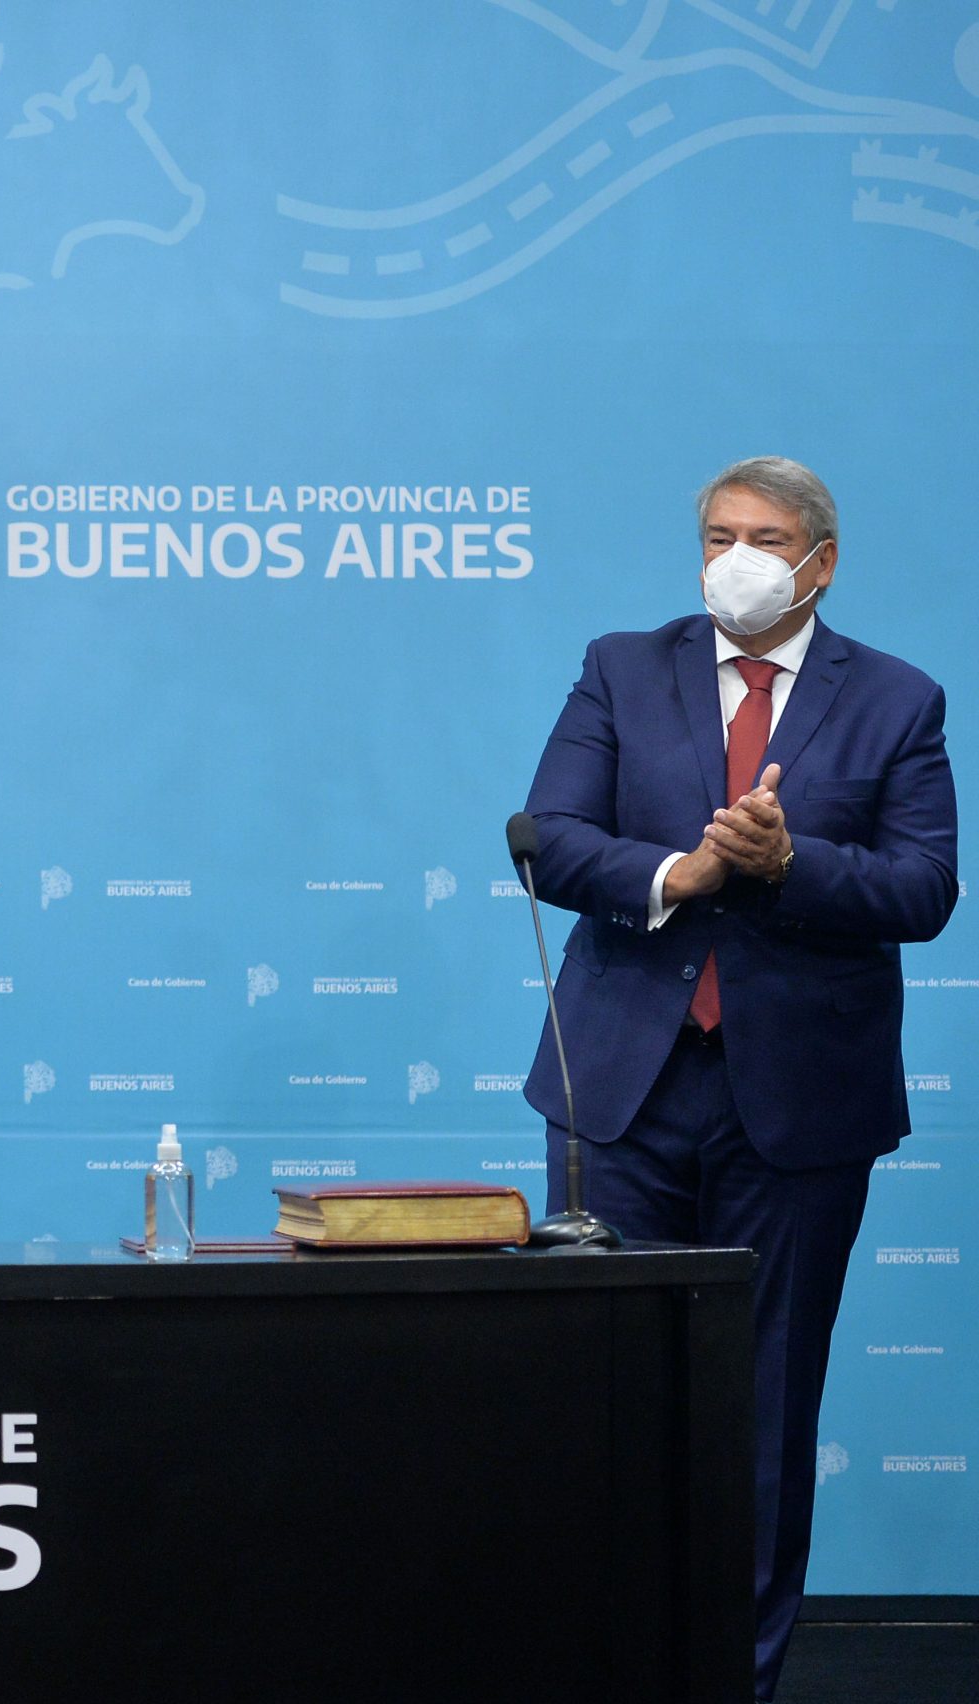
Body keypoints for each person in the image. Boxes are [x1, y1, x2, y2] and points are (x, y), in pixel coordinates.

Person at [522, 457, 957, 1699]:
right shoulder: (621, 667)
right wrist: (683, 874)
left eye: (764, 538)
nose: (736, 560)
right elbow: (551, 838)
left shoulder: (896, 698)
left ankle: (735, 1682)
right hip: (620, 1094)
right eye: (718, 536)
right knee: (603, 1398)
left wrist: (785, 862)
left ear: (821, 561)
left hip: (798, 1104)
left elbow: (922, 887)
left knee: (762, 1411)